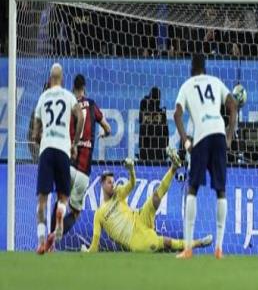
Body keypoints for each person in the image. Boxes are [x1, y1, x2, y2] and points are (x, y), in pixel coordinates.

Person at [174, 54, 237, 259]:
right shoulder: (216, 81)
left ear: (192, 68)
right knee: (221, 190)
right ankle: (219, 248)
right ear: (205, 68)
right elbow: (233, 105)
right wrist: (229, 136)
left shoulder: (187, 85)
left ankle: (188, 248)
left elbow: (177, 114)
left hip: (201, 136)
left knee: (192, 188)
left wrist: (186, 141)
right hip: (219, 134)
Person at [85, 153, 212, 252]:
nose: (112, 185)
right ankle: (199, 243)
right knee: (166, 242)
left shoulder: (118, 193)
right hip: (135, 239)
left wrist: (131, 169)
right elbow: (95, 243)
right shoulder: (99, 214)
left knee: (155, 197)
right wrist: (87, 251)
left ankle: (174, 167)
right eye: (109, 182)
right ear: (102, 184)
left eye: (113, 182)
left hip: (140, 218)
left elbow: (132, 184)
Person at [43, 74, 111, 252]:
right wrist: (104, 134)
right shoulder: (92, 105)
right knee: (75, 212)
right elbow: (108, 128)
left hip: (69, 164)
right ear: (85, 88)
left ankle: (50, 240)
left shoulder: (69, 105)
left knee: (61, 200)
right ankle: (54, 237)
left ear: (73, 88)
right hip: (84, 171)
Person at [31, 63, 84, 254]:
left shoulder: (42, 98)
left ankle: (41, 241)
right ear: (61, 79)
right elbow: (80, 118)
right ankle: (61, 210)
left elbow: (35, 134)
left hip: (46, 150)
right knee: (64, 196)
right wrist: (74, 143)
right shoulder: (68, 96)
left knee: (42, 200)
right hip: (63, 150)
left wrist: (41, 140)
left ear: (49, 79)